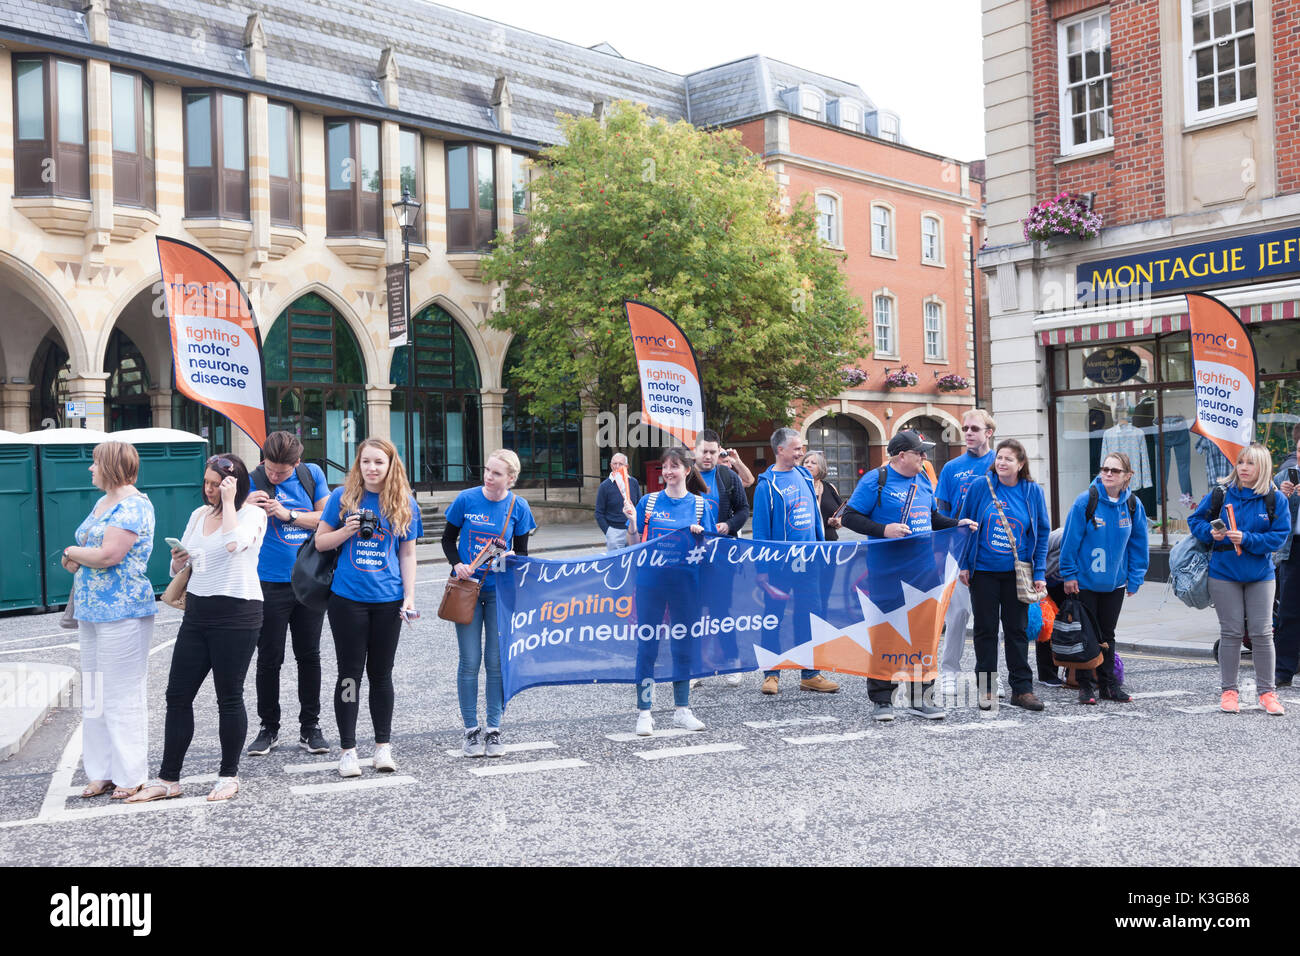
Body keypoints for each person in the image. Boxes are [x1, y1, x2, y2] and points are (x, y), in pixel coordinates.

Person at [128, 454, 266, 803]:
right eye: (205, 483)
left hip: (238, 612)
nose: (208, 490)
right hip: (198, 611)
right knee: (177, 695)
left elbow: (234, 545)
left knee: (229, 697)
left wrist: (232, 502)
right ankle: (168, 778)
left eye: (215, 484)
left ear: (232, 484)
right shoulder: (197, 515)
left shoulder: (253, 514)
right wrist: (177, 560)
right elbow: (181, 569)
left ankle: (228, 775)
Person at [841, 430, 972, 720]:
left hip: (923, 570)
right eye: (919, 452)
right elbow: (849, 516)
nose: (924, 457)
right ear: (902, 455)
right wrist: (883, 530)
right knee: (886, 633)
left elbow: (932, 518)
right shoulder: (877, 479)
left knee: (922, 634)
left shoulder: (923, 479)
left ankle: (920, 697)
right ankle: (882, 699)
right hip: (886, 570)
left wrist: (956, 524)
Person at [314, 438, 421, 775]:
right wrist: (346, 531)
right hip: (347, 601)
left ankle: (382, 748)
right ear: (357, 465)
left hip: (388, 601)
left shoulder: (404, 503)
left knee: (381, 675)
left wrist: (409, 597)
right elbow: (320, 542)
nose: (372, 468)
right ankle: (348, 750)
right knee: (349, 675)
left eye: (379, 462)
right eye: (365, 462)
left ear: (391, 465)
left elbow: (407, 553)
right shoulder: (342, 498)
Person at [61, 441, 155, 801]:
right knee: (97, 694)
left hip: (124, 611)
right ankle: (101, 772)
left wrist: (72, 553)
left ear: (111, 466)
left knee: (122, 694)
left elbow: (109, 555)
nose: (90, 468)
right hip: (91, 610)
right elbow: (93, 554)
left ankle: (130, 773)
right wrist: (82, 556)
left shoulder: (133, 506)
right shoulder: (104, 503)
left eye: (95, 462)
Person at [244, 431, 332, 757]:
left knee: (309, 656)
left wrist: (289, 514)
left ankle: (311, 727)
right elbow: (224, 520)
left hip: (308, 580)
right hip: (266, 581)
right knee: (269, 658)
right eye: (270, 469)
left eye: (282, 472)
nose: (274, 476)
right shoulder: (251, 479)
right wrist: (243, 506)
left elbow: (328, 519)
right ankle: (268, 728)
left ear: (297, 463)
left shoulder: (312, 476)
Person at [444, 449, 537, 756]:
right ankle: (471, 730)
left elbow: (522, 554)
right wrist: (457, 563)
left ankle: (494, 730)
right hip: (466, 588)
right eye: (486, 470)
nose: (488, 476)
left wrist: (511, 556)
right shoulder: (466, 500)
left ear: (511, 478)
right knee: (469, 661)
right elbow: (448, 539)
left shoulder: (518, 507)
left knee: (496, 664)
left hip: (500, 592)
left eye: (496, 473)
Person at [1188, 442, 1291, 715]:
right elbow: (1195, 521)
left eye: (1250, 463)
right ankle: (1229, 692)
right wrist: (1212, 533)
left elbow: (1279, 536)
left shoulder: (1275, 498)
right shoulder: (1221, 493)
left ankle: (1268, 693)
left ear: (1263, 467)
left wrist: (1247, 538)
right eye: (1241, 462)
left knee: (1262, 633)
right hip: (1224, 573)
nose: (1243, 468)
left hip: (1260, 574)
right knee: (1231, 633)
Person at [622, 446, 714, 734]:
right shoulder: (648, 503)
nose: (668, 472)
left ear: (687, 470)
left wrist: (701, 538)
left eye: (674, 466)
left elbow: (711, 551)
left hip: (686, 585)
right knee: (647, 646)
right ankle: (644, 712)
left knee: (683, 645)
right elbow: (632, 545)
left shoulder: (701, 507)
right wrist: (633, 524)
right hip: (650, 584)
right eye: (665, 467)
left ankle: (682, 709)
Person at [958, 439, 1051, 712]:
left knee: (1017, 632)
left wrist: (1040, 572)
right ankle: (986, 690)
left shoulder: (1032, 492)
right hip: (983, 571)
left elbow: (1042, 534)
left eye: (1009, 459)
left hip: (1017, 574)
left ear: (1021, 464)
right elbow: (963, 525)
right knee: (985, 631)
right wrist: (964, 564)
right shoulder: (980, 487)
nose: (1002, 462)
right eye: (999, 457)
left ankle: (1022, 690)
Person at [750, 427, 839, 695]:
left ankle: (810, 673)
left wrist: (821, 548)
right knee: (773, 619)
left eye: (802, 448)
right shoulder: (766, 485)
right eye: (797, 448)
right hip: (779, 565)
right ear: (780, 450)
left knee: (809, 617)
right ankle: (771, 674)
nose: (802, 453)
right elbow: (761, 532)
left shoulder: (803, 475)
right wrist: (762, 569)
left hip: (809, 562)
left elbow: (813, 518)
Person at [1057, 452, 1149, 704]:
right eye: (1105, 468)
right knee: (1086, 635)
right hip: (1085, 582)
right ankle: (1085, 686)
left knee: (1108, 635)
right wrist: (1069, 574)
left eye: (1115, 470)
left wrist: (1136, 576)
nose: (1108, 473)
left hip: (1115, 583)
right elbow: (1070, 542)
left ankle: (1108, 685)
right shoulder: (1085, 501)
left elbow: (1139, 544)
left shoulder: (1133, 505)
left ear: (1127, 476)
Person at [934, 409, 997, 697]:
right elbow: (941, 513)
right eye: (965, 428)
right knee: (957, 615)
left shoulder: (1001, 463)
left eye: (974, 428)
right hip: (958, 551)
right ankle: (948, 672)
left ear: (989, 432)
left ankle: (990, 677)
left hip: (992, 552)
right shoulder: (951, 468)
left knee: (990, 621)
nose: (968, 433)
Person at [1273, 425, 1300, 687]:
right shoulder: (1286, 476)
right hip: (1294, 549)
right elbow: (1267, 511)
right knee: (1289, 611)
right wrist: (1281, 496)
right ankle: (1283, 671)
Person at [695, 429, 750, 538]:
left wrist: (729, 525)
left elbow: (743, 509)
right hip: (690, 546)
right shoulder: (683, 477)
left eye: (712, 452)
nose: (708, 456)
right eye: (704, 451)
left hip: (722, 547)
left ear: (719, 450)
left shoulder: (728, 476)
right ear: (695, 450)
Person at [595, 452, 640, 553]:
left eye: (620, 464)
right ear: (611, 465)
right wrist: (608, 531)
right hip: (614, 532)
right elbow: (598, 513)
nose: (617, 466)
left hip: (632, 530)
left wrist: (637, 527)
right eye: (614, 464)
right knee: (616, 564)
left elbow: (638, 506)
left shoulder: (633, 483)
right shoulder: (604, 486)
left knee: (633, 562)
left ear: (627, 466)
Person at [803, 451, 843, 542]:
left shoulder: (830, 487)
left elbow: (842, 514)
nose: (808, 465)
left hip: (829, 542)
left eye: (813, 463)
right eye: (806, 462)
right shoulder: (797, 488)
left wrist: (838, 522)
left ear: (821, 467)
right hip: (806, 543)